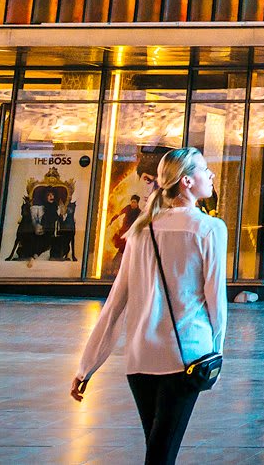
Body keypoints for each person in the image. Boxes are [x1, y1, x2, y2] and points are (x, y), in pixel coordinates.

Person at [72, 148, 227, 465]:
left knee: (157, 448)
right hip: (186, 357)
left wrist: (86, 366)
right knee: (160, 453)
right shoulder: (210, 229)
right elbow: (216, 300)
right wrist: (217, 352)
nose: (211, 175)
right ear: (186, 181)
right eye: (204, 170)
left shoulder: (141, 230)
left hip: (140, 360)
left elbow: (116, 302)